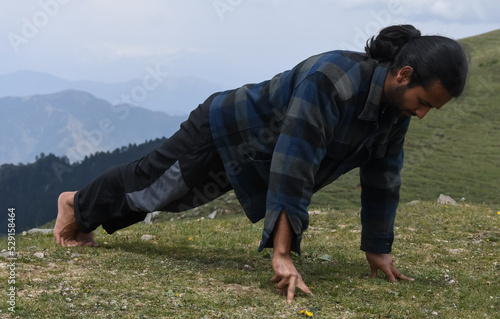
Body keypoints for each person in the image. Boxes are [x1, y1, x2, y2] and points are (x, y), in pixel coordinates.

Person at [54, 24, 468, 303]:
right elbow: (296, 162)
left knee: (169, 201)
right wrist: (281, 254)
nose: (422, 115)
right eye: (423, 102)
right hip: (224, 129)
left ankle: (86, 210)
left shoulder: (393, 112)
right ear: (403, 74)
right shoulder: (333, 80)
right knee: (152, 187)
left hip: (254, 156)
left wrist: (378, 250)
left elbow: (384, 178)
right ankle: (75, 205)